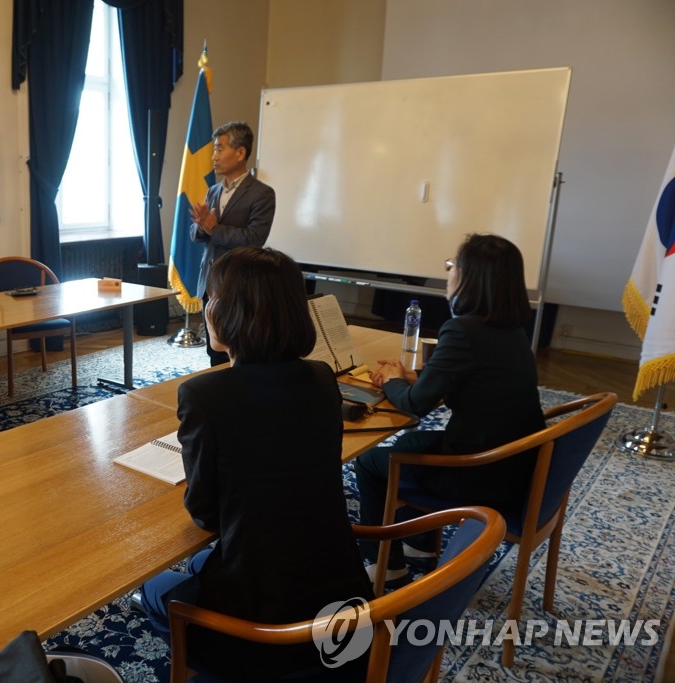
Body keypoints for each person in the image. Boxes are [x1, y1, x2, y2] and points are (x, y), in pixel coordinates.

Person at [139, 247, 372, 681]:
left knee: (153, 591)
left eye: (211, 297)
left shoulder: (204, 396)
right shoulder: (323, 378)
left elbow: (206, 515)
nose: (206, 308)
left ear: (230, 313)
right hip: (339, 593)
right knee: (196, 567)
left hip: (262, 623)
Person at [354, 233, 546, 587]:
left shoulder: (463, 329)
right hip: (513, 460)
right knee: (413, 446)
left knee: (368, 463)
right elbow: (469, 380)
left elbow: (415, 405)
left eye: (452, 266)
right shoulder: (512, 330)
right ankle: (420, 544)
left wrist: (396, 379)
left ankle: (386, 565)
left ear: (471, 277)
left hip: (479, 469)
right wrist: (420, 376)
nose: (448, 273)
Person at [189, 121, 276, 366]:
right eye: (214, 150)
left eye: (219, 149)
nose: (214, 157)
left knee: (240, 350)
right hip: (210, 282)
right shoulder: (213, 191)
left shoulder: (262, 193)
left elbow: (254, 239)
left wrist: (213, 228)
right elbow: (196, 234)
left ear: (240, 153)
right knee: (214, 351)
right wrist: (201, 226)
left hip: (239, 283)